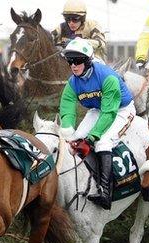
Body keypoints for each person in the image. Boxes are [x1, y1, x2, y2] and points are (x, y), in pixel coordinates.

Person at [58, 38, 136, 210]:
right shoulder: (72, 83)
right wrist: (67, 130)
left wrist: (93, 136)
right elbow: (67, 108)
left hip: (121, 109)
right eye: (70, 61)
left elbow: (109, 113)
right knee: (75, 141)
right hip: (97, 109)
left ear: (87, 61)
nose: (73, 65)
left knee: (102, 142)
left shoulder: (107, 77)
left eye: (77, 61)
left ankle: (106, 193)